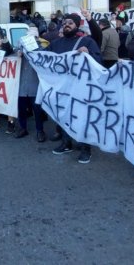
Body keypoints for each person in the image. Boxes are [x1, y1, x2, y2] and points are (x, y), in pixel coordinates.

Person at [45, 13, 102, 164]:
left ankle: (85, 148)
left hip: (81, 88)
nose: (67, 25)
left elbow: (98, 62)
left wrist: (88, 54)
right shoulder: (56, 43)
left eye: (70, 22)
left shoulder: (87, 41)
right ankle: (66, 143)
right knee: (63, 115)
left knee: (82, 118)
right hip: (63, 88)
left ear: (77, 25)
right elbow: (44, 57)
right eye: (64, 23)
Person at [14, 26, 49, 141]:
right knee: (21, 109)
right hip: (22, 84)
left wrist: (34, 49)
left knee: (37, 110)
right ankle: (23, 128)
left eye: (32, 36)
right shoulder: (20, 45)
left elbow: (46, 58)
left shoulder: (43, 46)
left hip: (35, 84)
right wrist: (18, 53)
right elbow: (12, 54)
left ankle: (40, 131)